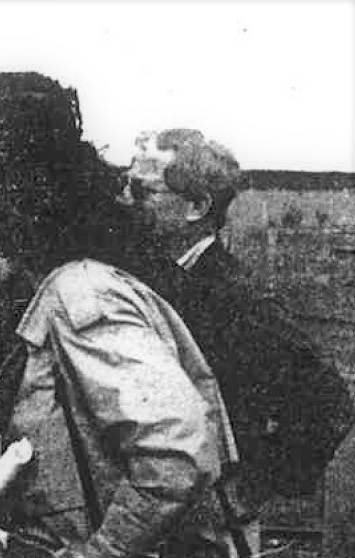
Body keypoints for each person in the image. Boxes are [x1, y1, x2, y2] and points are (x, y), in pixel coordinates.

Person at [0, 72, 258, 558]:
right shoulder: (74, 284)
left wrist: (103, 548)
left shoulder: (81, 292)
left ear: (21, 197)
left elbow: (174, 448)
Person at [123, 128, 354, 503]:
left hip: (211, 517)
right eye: (127, 185)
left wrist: (256, 484)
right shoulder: (158, 275)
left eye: (142, 192)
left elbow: (328, 401)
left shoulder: (236, 298)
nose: (127, 201)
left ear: (196, 207)